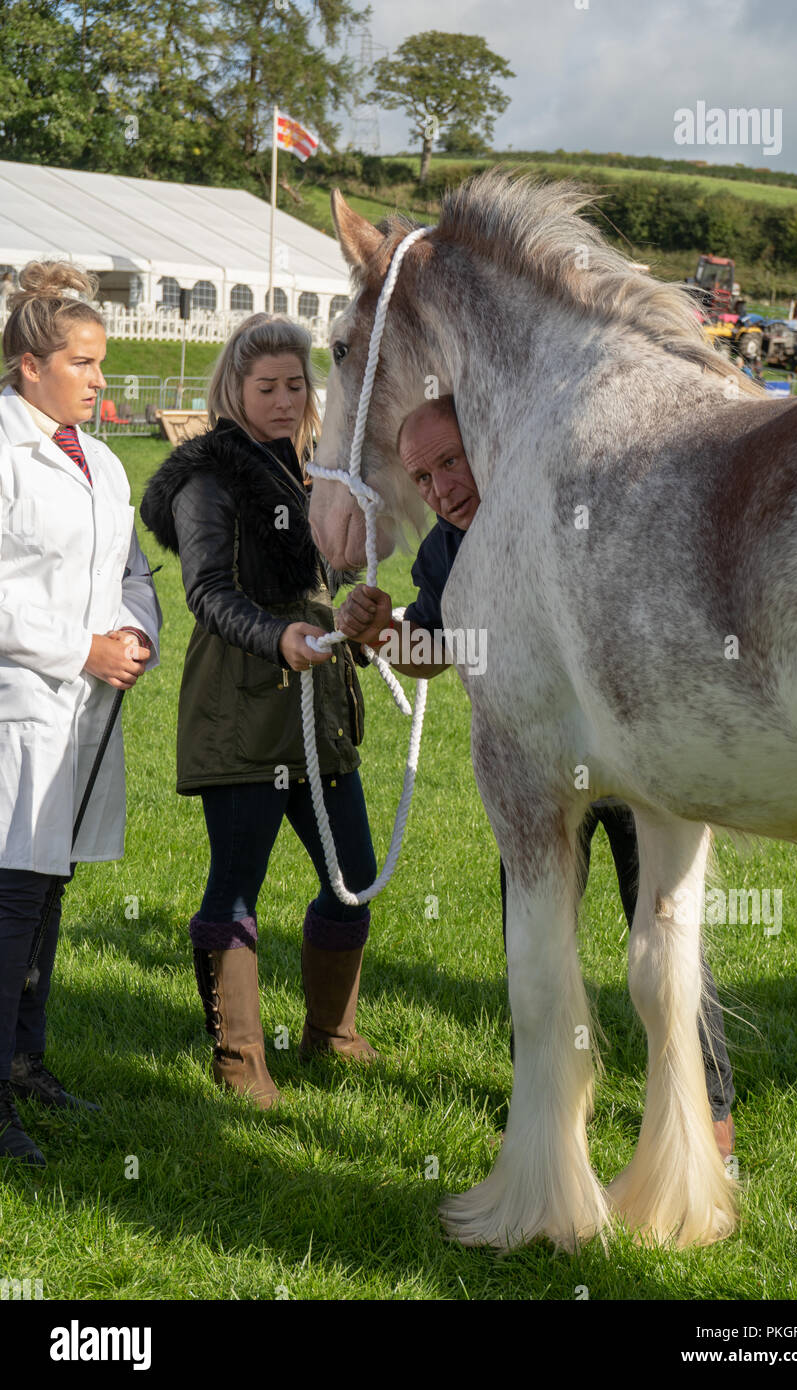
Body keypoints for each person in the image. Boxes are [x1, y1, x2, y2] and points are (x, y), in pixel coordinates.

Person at [337, 395, 736, 1157]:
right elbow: (434, 650)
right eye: (422, 477)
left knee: (664, 932)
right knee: (535, 943)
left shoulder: (571, 510)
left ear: (487, 441)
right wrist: (383, 631)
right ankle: (545, 1117)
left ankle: (712, 1121)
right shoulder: (444, 553)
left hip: (633, 769)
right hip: (535, 776)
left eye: (450, 461)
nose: (442, 488)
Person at [140, 314, 378, 1111]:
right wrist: (279, 638)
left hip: (321, 707)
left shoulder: (310, 471)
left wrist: (354, 615)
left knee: (355, 878)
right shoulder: (211, 479)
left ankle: (330, 1034)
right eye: (266, 386)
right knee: (236, 886)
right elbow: (208, 594)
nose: (284, 400)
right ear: (234, 389)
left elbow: (320, 583)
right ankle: (239, 1058)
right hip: (243, 704)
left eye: (294, 385)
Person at [0, 261, 161, 1166]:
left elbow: (128, 574)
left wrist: (134, 634)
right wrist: (78, 650)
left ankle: (26, 1063)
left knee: (47, 893)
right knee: (10, 899)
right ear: (30, 364)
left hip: (86, 712)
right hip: (17, 707)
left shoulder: (99, 459)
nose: (102, 379)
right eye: (86, 362)